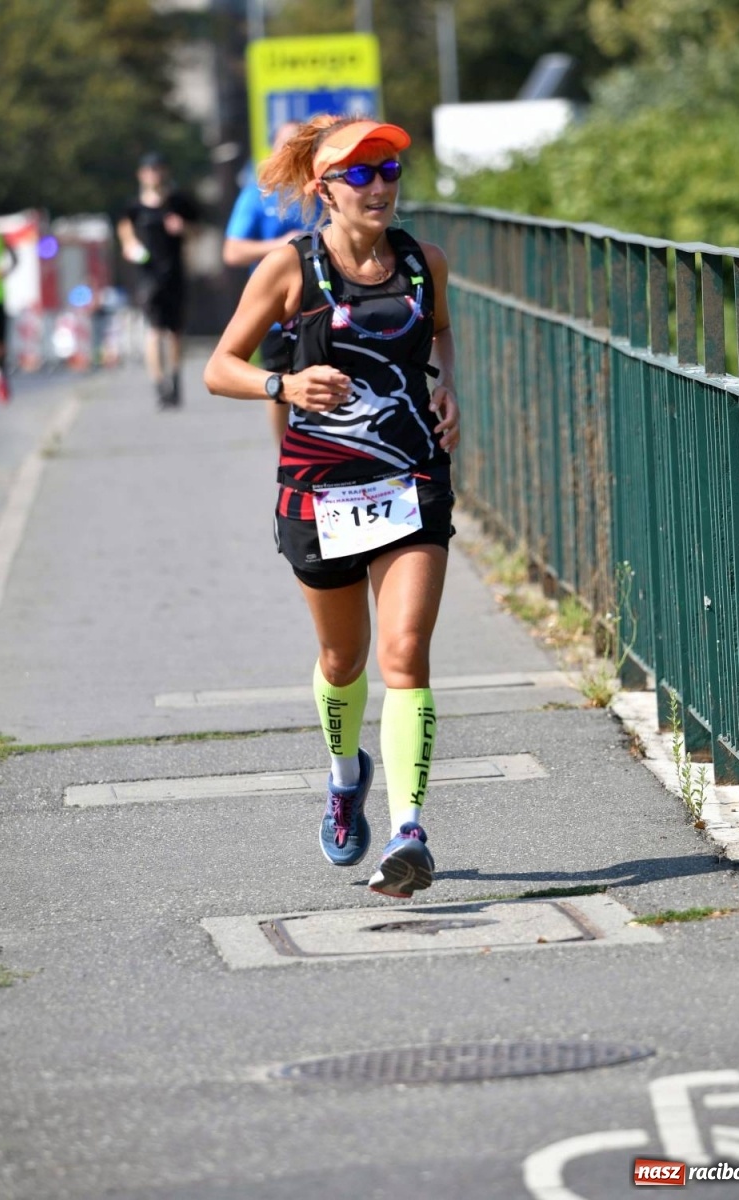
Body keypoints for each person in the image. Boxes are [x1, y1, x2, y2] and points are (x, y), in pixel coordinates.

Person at [204, 115, 461, 898]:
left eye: (387, 170)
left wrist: (450, 389)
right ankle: (346, 774)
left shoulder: (424, 263)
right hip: (320, 495)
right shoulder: (291, 269)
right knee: (344, 661)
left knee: (404, 653)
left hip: (410, 481)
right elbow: (221, 366)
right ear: (324, 189)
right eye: (358, 174)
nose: (378, 186)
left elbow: (443, 335)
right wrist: (282, 384)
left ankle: (409, 831)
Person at [222, 122, 316, 444]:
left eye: (301, 145)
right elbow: (232, 251)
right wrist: (280, 245)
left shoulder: (323, 189)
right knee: (280, 389)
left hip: (324, 308)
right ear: (275, 150)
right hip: (276, 314)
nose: (293, 152)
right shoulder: (258, 193)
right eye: (286, 145)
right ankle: (285, 455)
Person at [117, 152, 198, 409]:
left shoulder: (178, 203)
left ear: (165, 172)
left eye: (158, 169)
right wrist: (130, 246)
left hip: (174, 273)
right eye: (149, 170)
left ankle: (175, 380)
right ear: (142, 175)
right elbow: (124, 232)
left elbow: (198, 232)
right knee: (154, 330)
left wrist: (183, 228)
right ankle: (159, 384)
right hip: (147, 278)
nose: (154, 175)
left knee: (174, 332)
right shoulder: (134, 208)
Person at [0, 232, 18, 403]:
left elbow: (14, 259)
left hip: (0, 299)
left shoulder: (1, 239)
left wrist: (5, 271)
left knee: (1, 344)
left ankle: (2, 381)